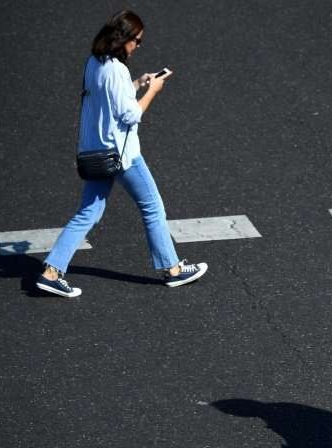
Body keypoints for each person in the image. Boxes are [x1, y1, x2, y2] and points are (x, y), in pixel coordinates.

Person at [36, 10, 207, 298]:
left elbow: (109, 98)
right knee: (152, 206)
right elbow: (130, 114)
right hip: (121, 154)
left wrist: (139, 83)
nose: (138, 46)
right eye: (137, 41)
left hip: (95, 151)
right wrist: (154, 90)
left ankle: (51, 272)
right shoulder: (116, 69)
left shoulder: (95, 63)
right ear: (123, 38)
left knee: (88, 212)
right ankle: (173, 270)